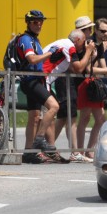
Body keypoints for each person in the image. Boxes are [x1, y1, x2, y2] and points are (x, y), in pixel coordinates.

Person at [42, 28, 96, 163]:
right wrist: (88, 51)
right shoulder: (70, 47)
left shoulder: (64, 44)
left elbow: (75, 67)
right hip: (44, 78)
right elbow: (78, 68)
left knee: (57, 113)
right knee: (52, 112)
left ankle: (48, 148)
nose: (84, 45)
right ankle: (42, 146)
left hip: (45, 79)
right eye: (83, 43)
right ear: (77, 40)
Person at [17, 10, 60, 164]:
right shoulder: (26, 39)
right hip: (30, 81)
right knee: (54, 106)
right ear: (28, 23)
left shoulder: (35, 39)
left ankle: (29, 152)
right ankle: (39, 140)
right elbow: (32, 59)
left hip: (35, 80)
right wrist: (49, 53)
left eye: (41, 21)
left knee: (34, 117)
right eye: (35, 22)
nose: (39, 24)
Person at [77, 17, 107, 160]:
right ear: (96, 30)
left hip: (94, 83)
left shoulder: (100, 45)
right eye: (102, 31)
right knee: (84, 117)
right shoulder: (90, 43)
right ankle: (80, 151)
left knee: (100, 119)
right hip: (85, 82)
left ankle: (89, 150)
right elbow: (89, 69)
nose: (106, 34)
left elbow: (103, 67)